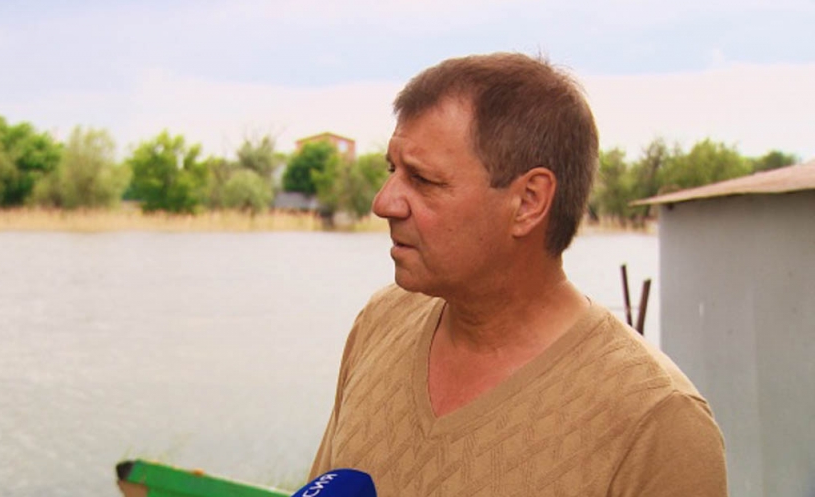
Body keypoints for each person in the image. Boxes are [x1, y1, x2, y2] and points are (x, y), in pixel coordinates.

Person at [310, 53, 727, 496]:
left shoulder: (658, 423)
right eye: (393, 170)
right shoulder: (381, 321)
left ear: (528, 202)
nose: (383, 202)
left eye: (424, 180)